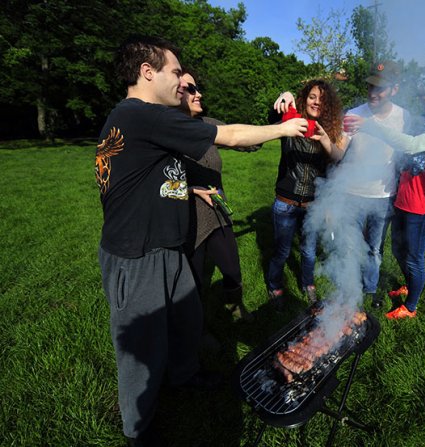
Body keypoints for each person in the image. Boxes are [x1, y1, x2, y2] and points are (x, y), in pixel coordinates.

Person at [95, 36, 307, 446]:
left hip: (169, 246)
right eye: (175, 72)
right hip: (138, 254)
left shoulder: (142, 118)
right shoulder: (141, 114)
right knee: (141, 347)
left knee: (187, 319)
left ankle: (185, 375)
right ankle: (138, 429)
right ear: (147, 71)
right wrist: (283, 129)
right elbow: (226, 134)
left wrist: (189, 192)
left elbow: (146, 177)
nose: (181, 82)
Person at [345, 69, 425, 319]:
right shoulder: (423, 120)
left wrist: (372, 126)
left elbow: (411, 145)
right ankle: (409, 284)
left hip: (423, 203)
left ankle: (411, 306)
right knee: (398, 250)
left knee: (414, 257)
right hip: (402, 197)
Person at [178, 69, 255, 321]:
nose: (198, 93)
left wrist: (278, 117)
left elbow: (249, 142)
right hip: (189, 222)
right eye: (191, 89)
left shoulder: (207, 125)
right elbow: (154, 183)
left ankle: (234, 305)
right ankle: (198, 332)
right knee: (194, 281)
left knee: (232, 270)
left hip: (218, 214)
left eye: (197, 87)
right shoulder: (165, 131)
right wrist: (191, 191)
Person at [340, 61, 418, 308]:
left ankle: (370, 288)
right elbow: (339, 151)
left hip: (383, 195)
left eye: (380, 88)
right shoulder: (353, 113)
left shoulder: (404, 117)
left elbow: (409, 150)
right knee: (351, 245)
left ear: (394, 90)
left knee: (374, 248)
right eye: (370, 87)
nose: (373, 93)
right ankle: (349, 289)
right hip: (352, 191)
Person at [267, 79, 346, 309]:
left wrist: (324, 139)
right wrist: (285, 92)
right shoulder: (291, 120)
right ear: (305, 98)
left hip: (312, 204)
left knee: (309, 250)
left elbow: (338, 159)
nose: (316, 102)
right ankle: (274, 285)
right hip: (286, 201)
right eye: (312, 97)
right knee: (281, 250)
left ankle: (308, 284)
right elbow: (272, 117)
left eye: (322, 99)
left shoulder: (329, 129)